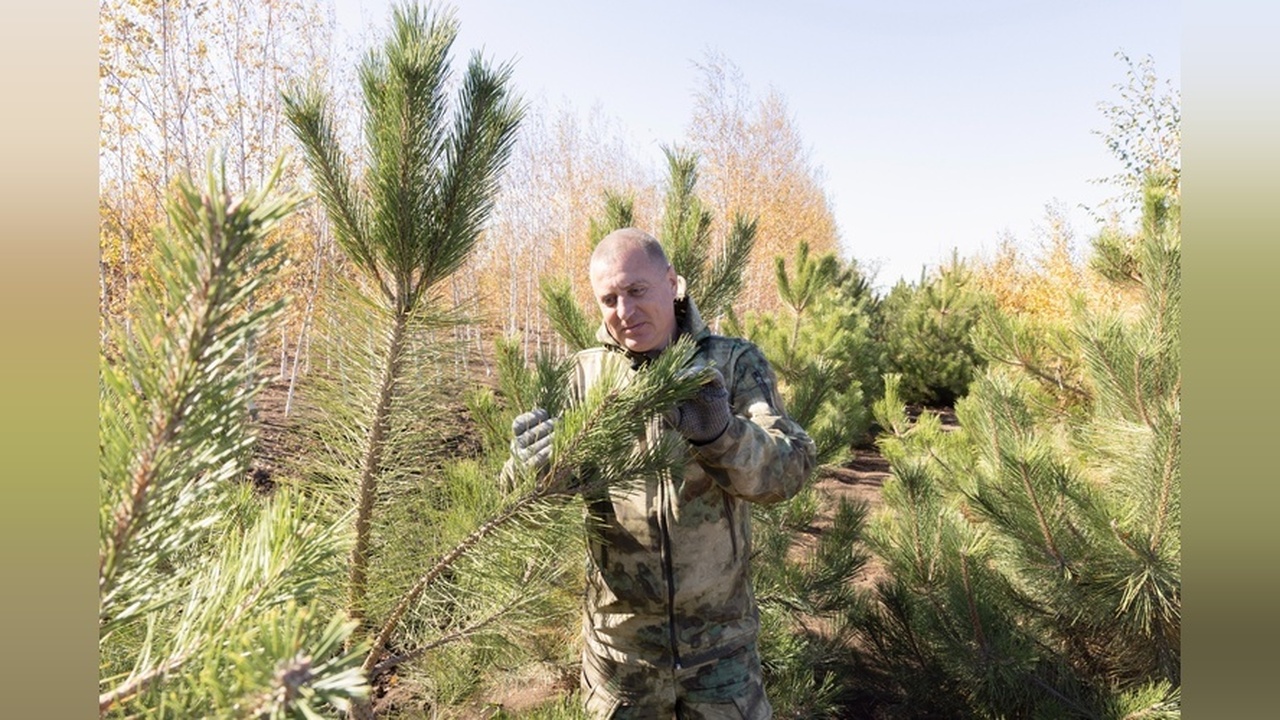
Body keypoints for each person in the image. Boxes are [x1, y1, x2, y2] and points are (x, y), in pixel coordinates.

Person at [508, 228, 817, 719]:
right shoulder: (581, 377)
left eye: (636, 291)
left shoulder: (732, 364)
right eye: (609, 298)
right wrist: (531, 474)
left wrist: (721, 434)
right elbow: (532, 507)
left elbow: (790, 471)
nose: (624, 312)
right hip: (620, 656)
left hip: (721, 652)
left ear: (672, 283)